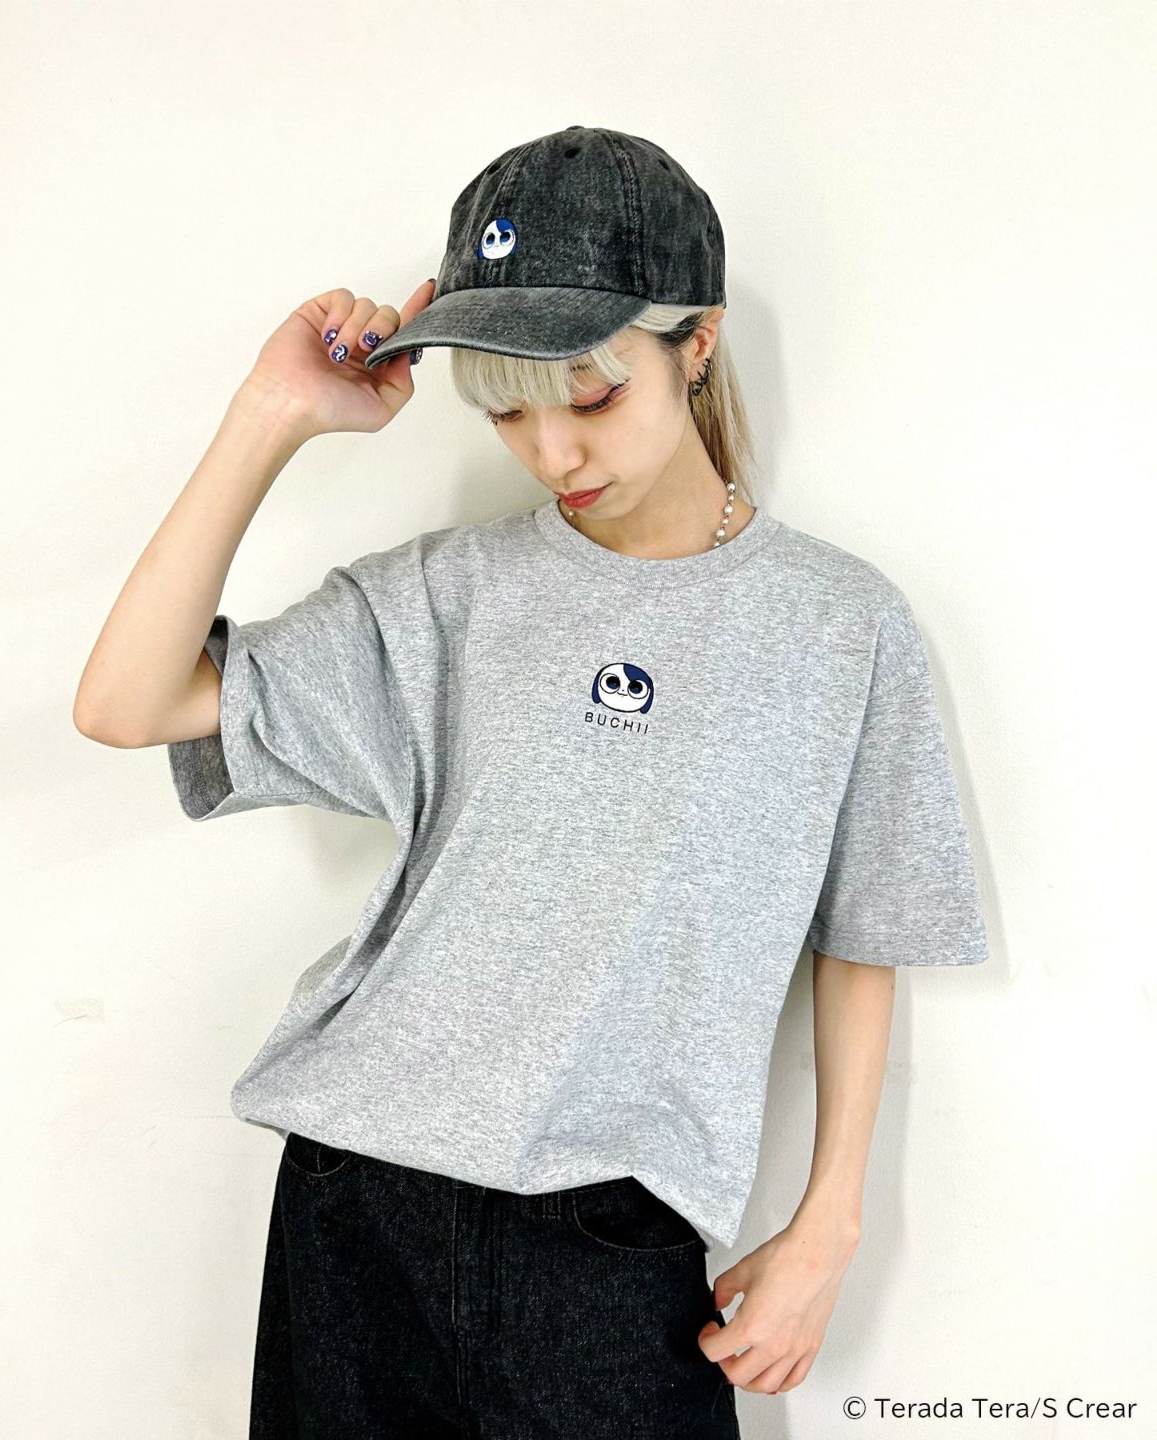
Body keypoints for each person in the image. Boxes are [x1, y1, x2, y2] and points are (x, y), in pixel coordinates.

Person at [73, 126, 990, 1438]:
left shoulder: (838, 625)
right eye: (506, 410)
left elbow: (866, 931)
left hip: (612, 1249)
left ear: (698, 342)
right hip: (358, 1211)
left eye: (593, 396)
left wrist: (827, 1223)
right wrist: (272, 415)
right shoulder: (443, 597)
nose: (554, 453)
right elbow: (124, 703)